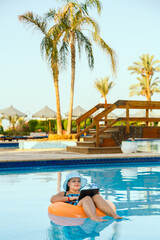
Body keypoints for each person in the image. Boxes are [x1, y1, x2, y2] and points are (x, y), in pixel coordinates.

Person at [50, 171, 122, 222]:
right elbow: (53, 199)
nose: (77, 183)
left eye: (78, 181)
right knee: (86, 198)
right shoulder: (64, 193)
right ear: (68, 184)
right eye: (74, 181)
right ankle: (94, 217)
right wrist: (70, 198)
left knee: (96, 196)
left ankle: (114, 215)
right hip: (76, 206)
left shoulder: (83, 192)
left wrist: (96, 195)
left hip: (88, 205)